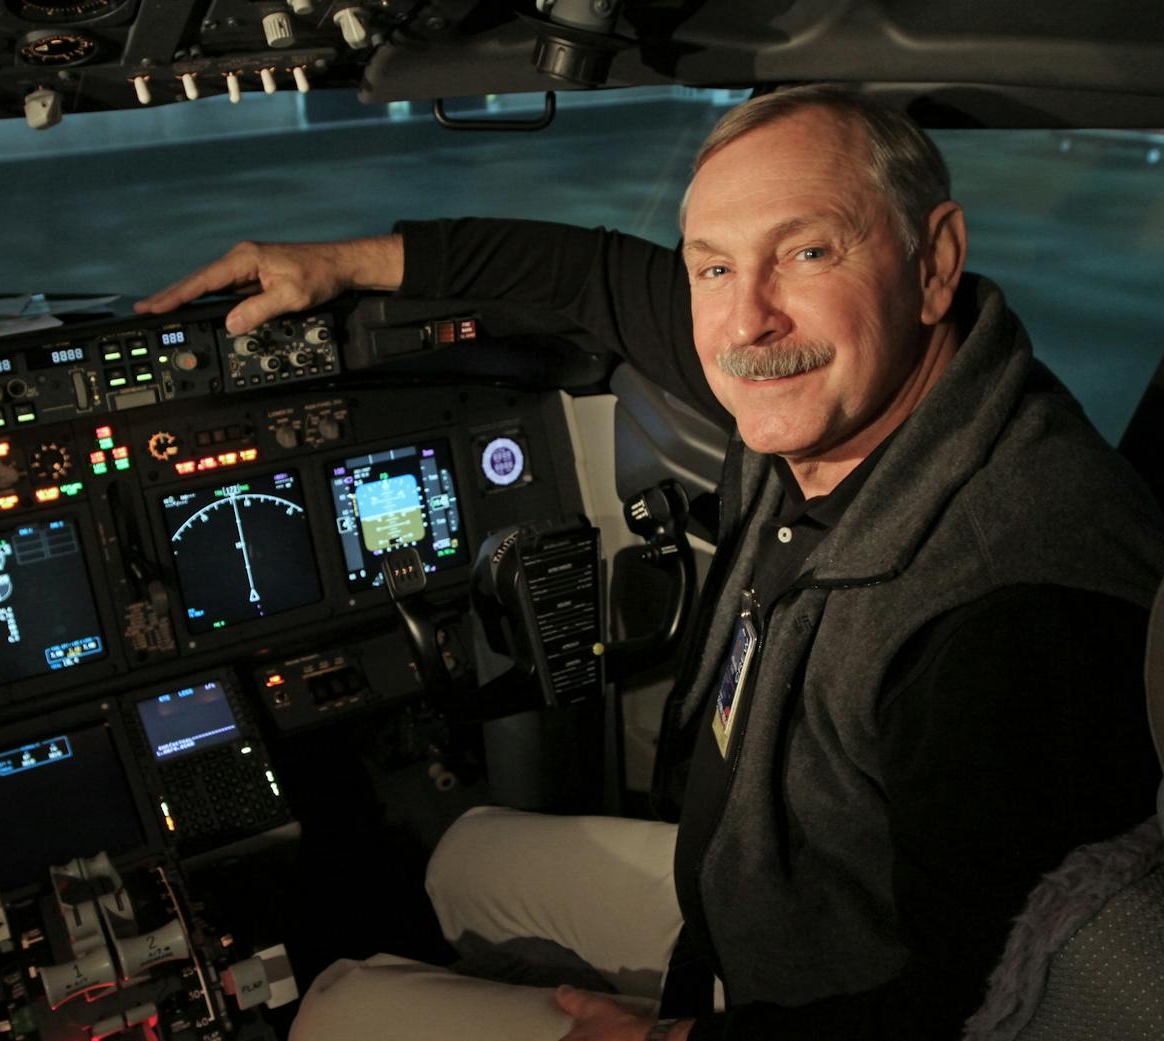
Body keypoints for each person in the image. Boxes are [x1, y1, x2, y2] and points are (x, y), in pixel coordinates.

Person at [137, 86, 1164, 1040]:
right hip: (761, 898)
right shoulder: (842, 393)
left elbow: (997, 1010)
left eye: (807, 253)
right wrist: (342, 264)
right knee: (461, 855)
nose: (745, 322)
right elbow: (584, 277)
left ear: (934, 263)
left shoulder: (1011, 612)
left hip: (823, 992)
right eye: (714, 265)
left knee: (345, 1003)